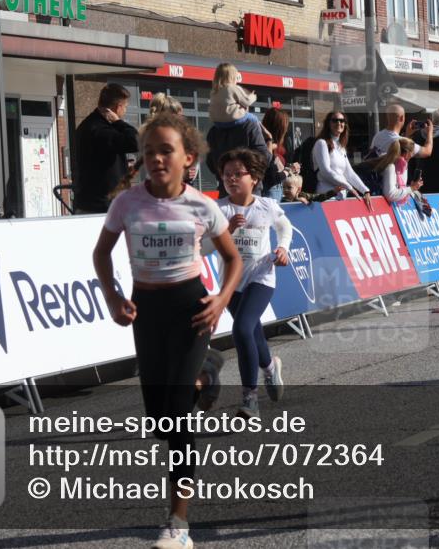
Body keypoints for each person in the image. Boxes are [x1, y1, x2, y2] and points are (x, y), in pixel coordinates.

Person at [92, 113, 242, 549]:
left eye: (166, 151)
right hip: (148, 310)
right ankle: (206, 373)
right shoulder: (127, 203)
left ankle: (178, 523)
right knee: (158, 418)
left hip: (190, 309)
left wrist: (221, 300)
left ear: (188, 158)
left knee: (177, 420)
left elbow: (233, 260)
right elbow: (101, 254)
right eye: (149, 151)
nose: (156, 158)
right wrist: (112, 297)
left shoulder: (202, 205)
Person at [214, 148, 292, 418]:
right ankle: (270, 368)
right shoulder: (219, 209)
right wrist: (227, 231)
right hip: (232, 282)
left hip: (261, 277)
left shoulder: (266, 206)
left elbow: (285, 228)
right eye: (227, 175)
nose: (231, 179)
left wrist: (282, 248)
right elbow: (202, 247)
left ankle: (250, 399)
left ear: (254, 178)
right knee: (252, 332)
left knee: (242, 328)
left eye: (238, 174)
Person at [74, 83, 139, 214]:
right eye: (125, 107)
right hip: (102, 206)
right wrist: (118, 122)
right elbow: (136, 141)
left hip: (93, 202)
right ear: (118, 107)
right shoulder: (100, 130)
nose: (125, 111)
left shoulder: (87, 125)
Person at [312, 111, 372, 206]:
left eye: (342, 120)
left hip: (340, 198)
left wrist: (365, 190)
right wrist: (348, 186)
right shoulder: (321, 143)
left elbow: (349, 173)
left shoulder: (341, 147)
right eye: (335, 120)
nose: (339, 123)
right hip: (326, 198)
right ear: (328, 124)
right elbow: (325, 171)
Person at [368, 101, 433, 158]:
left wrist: (407, 134)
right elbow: (427, 152)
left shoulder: (377, 136)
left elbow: (402, 146)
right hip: (396, 172)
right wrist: (430, 132)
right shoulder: (401, 141)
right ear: (402, 118)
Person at [373, 138, 424, 203]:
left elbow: (399, 189)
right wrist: (411, 188)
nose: (412, 156)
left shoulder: (403, 167)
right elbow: (390, 195)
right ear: (407, 154)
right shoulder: (390, 167)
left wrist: (412, 186)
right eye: (413, 153)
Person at [261, 108, 293, 201]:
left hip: (274, 192)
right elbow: (272, 178)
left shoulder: (270, 145)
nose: (287, 129)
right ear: (280, 127)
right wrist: (288, 171)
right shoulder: (267, 146)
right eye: (286, 126)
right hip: (270, 194)